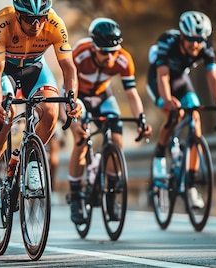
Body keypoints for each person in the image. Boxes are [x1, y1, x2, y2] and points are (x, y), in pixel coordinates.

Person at [0, 0, 82, 209]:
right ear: (18, 15)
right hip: (7, 69)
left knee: (50, 110)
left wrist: (72, 98)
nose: (36, 25)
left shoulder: (54, 23)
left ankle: (31, 160)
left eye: (40, 19)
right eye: (29, 19)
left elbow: (68, 67)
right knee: (6, 115)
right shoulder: (1, 22)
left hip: (35, 69)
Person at [67, 18, 152, 223]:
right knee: (81, 139)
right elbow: (68, 88)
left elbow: (131, 93)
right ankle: (77, 195)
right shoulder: (80, 54)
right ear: (94, 47)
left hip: (104, 96)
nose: (110, 57)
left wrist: (141, 119)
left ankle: (112, 196)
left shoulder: (123, 59)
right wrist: (73, 120)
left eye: (114, 51)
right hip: (78, 97)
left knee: (117, 137)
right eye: (105, 52)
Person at [147, 11, 216, 209]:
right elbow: (162, 77)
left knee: (195, 115)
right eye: (191, 40)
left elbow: (213, 77)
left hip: (181, 80)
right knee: (174, 114)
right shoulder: (167, 42)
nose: (195, 45)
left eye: (199, 40)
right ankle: (160, 154)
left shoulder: (205, 47)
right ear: (183, 36)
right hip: (158, 80)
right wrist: (168, 100)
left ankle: (191, 184)